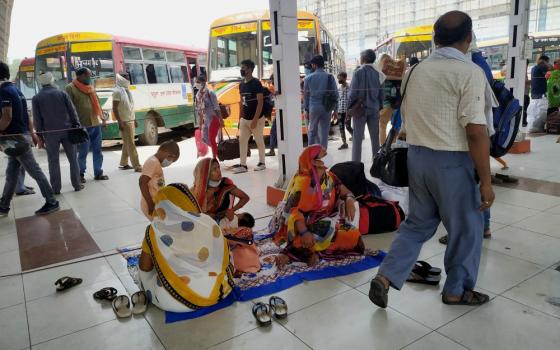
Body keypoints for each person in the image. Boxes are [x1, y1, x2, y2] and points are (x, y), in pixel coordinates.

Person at [368, 11, 494, 308]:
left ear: (435, 39)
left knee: (417, 224)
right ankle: (457, 290)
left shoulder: (415, 71)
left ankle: (386, 276)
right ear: (468, 37)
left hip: (418, 158)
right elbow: (475, 132)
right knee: (466, 228)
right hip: (453, 161)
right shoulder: (469, 73)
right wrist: (486, 181)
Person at [138, 182, 233, 312]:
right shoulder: (207, 222)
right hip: (217, 292)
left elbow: (145, 267)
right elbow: (222, 256)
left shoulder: (154, 230)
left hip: (172, 300)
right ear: (190, 200)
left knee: (144, 275)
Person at [273, 144, 365, 268]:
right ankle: (292, 254)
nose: (326, 157)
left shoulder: (330, 177)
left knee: (354, 237)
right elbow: (295, 212)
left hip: (323, 223)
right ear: (314, 162)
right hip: (300, 225)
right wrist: (305, 232)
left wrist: (349, 199)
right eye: (323, 155)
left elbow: (346, 192)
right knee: (327, 226)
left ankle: (313, 252)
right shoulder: (304, 182)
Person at [0, 61, 59, 216]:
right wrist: (31, 133)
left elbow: (7, 117)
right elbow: (27, 116)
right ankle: (4, 206)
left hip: (15, 139)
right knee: (11, 173)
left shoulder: (4, 92)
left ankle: (52, 201)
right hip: (21, 136)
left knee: (35, 171)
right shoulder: (15, 90)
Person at [33, 72, 83, 194]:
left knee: (53, 161)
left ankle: (55, 189)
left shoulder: (37, 98)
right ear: (52, 80)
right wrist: (77, 125)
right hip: (68, 131)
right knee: (73, 159)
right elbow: (73, 111)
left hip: (50, 134)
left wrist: (40, 135)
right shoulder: (62, 93)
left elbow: (37, 119)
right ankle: (77, 184)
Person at [65, 67, 108, 183]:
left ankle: (98, 172)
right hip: (81, 126)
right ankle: (80, 174)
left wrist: (103, 119)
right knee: (83, 151)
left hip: (95, 123)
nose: (90, 78)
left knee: (98, 150)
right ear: (81, 76)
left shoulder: (91, 88)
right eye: (88, 75)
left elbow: (98, 104)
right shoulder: (70, 88)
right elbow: (68, 108)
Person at [348, 49, 384, 162]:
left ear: (364, 59)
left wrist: (349, 108)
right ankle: (376, 165)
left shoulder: (358, 72)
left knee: (357, 139)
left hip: (359, 110)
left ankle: (355, 165)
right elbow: (382, 93)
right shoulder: (378, 73)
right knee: (375, 139)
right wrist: (379, 106)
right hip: (374, 109)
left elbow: (353, 93)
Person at [233, 59, 266, 173]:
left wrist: (255, 120)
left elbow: (260, 102)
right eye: (241, 68)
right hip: (244, 119)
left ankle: (262, 162)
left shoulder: (256, 83)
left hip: (256, 118)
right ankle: (243, 165)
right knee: (242, 140)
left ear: (250, 70)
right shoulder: (241, 85)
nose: (241, 70)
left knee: (259, 140)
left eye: (244, 68)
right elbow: (241, 102)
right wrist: (239, 119)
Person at [303, 55, 338, 149]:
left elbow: (306, 96)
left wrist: (306, 109)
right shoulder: (330, 77)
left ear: (314, 65)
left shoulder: (308, 78)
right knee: (325, 131)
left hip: (314, 107)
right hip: (327, 107)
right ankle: (323, 152)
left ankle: (311, 152)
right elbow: (335, 94)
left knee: (312, 131)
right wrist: (336, 110)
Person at [139, 141, 180, 220]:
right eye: (171, 160)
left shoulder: (155, 162)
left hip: (156, 202)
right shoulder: (152, 162)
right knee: (160, 226)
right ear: (169, 155)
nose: (169, 163)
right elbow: (142, 182)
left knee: (162, 225)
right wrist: (150, 203)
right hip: (150, 203)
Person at [112, 73, 141, 172]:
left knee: (127, 143)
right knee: (131, 144)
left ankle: (123, 163)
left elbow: (131, 108)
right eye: (126, 78)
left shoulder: (127, 90)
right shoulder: (117, 91)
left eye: (129, 77)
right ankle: (137, 166)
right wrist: (120, 122)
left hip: (130, 120)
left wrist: (134, 119)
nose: (128, 79)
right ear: (121, 79)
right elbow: (114, 108)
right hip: (124, 122)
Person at [377, 54, 403, 146]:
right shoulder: (398, 73)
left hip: (386, 104)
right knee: (396, 127)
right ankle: (393, 146)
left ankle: (383, 148)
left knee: (382, 126)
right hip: (397, 103)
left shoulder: (380, 74)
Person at [194, 75, 222, 159]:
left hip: (213, 119)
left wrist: (221, 120)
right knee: (205, 139)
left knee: (212, 139)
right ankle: (217, 150)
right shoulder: (198, 95)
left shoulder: (210, 93)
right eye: (196, 82)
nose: (196, 84)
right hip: (206, 121)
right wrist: (200, 125)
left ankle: (214, 158)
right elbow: (199, 111)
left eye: (198, 82)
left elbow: (217, 107)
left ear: (203, 83)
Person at [333, 72, 352, 150]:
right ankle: (344, 143)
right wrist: (336, 110)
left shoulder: (349, 87)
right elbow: (338, 100)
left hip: (347, 111)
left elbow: (350, 100)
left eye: (340, 78)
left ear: (344, 78)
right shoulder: (339, 88)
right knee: (341, 127)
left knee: (347, 126)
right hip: (340, 111)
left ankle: (356, 137)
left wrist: (349, 112)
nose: (338, 80)